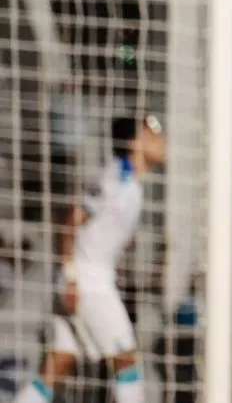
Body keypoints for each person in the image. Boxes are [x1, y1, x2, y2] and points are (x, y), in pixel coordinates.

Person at [12, 115, 166, 403]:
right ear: (134, 142)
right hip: (87, 284)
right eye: (153, 132)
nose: (162, 139)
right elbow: (69, 222)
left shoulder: (132, 184)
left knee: (59, 364)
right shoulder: (114, 179)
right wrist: (71, 277)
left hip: (85, 280)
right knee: (126, 360)